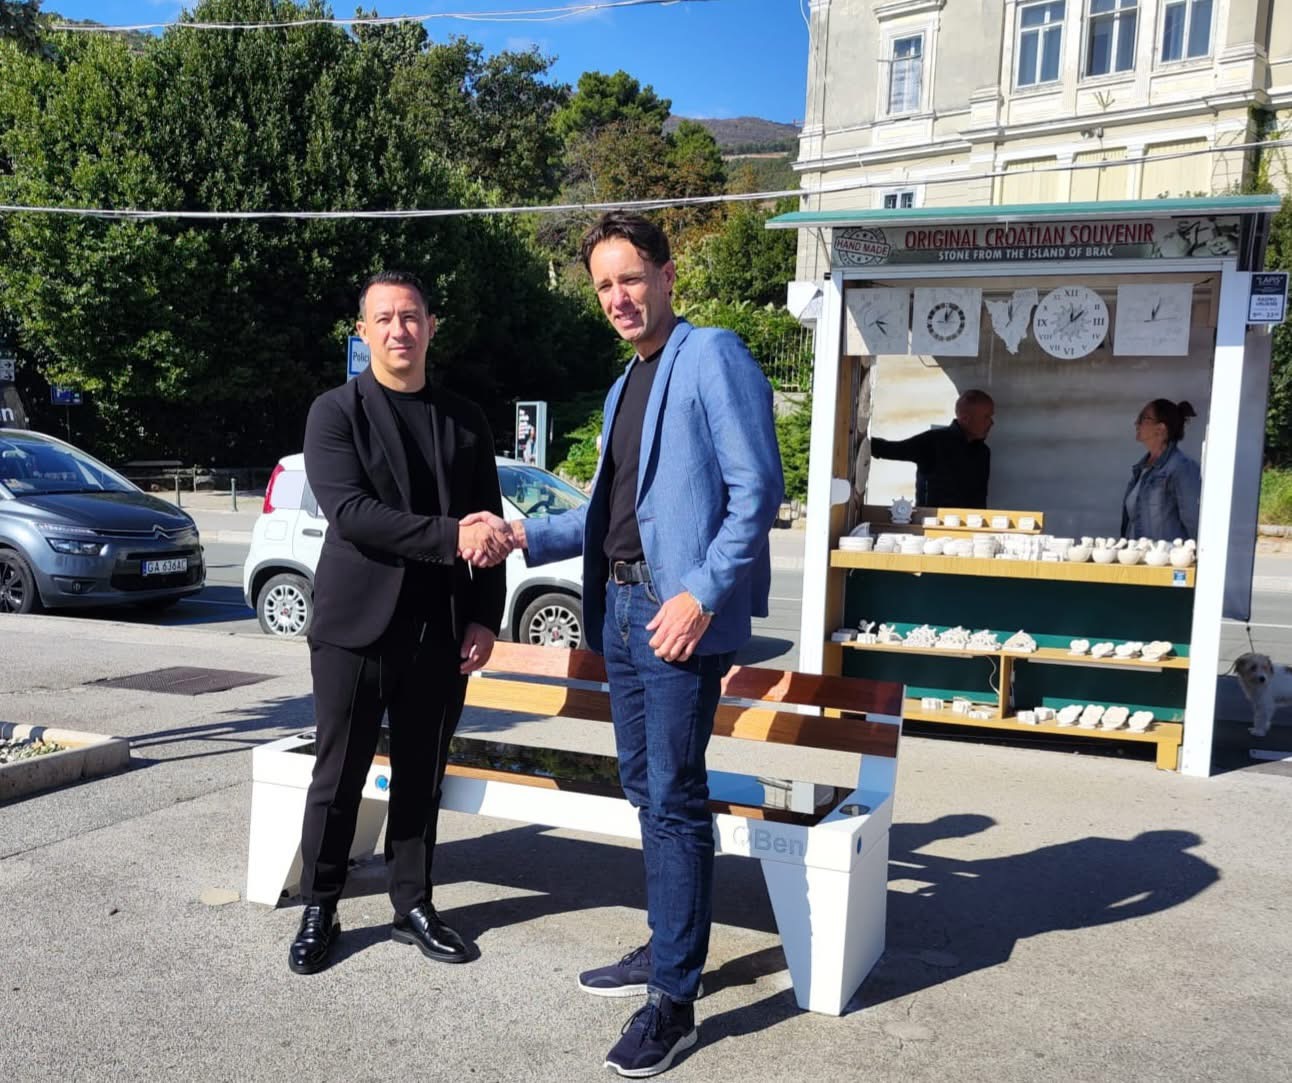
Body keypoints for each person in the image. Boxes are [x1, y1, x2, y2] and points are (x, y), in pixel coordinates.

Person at [467, 212, 783, 1077]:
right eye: (604, 284)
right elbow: (608, 514)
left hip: (675, 612)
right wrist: (520, 532)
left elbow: (758, 490)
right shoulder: (622, 387)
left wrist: (700, 594)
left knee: (674, 795)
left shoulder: (711, 354)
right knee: (647, 788)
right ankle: (667, 943)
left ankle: (674, 1001)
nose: (618, 297)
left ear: (668, 275)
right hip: (619, 610)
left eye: (631, 278)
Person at [288, 270, 514, 976]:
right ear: (363, 331)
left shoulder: (465, 418)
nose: (398, 330)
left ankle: (412, 903)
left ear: (431, 326)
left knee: (423, 775)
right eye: (383, 318)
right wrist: (451, 537)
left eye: (411, 316)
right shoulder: (335, 412)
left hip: (440, 629)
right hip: (355, 628)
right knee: (339, 775)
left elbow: (490, 524)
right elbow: (353, 514)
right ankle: (320, 905)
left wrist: (485, 615)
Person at [869, 388, 994, 508]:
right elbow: (891, 450)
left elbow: (980, 499)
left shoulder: (983, 452)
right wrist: (860, 439)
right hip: (932, 521)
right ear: (966, 418)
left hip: (972, 521)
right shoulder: (933, 442)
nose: (991, 423)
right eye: (986, 417)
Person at [1121, 398, 1201, 540]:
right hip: (1137, 554)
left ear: (1161, 428)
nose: (1136, 423)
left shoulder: (1181, 467)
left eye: (1143, 418)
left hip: (1166, 555)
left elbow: (1194, 524)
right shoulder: (1140, 469)